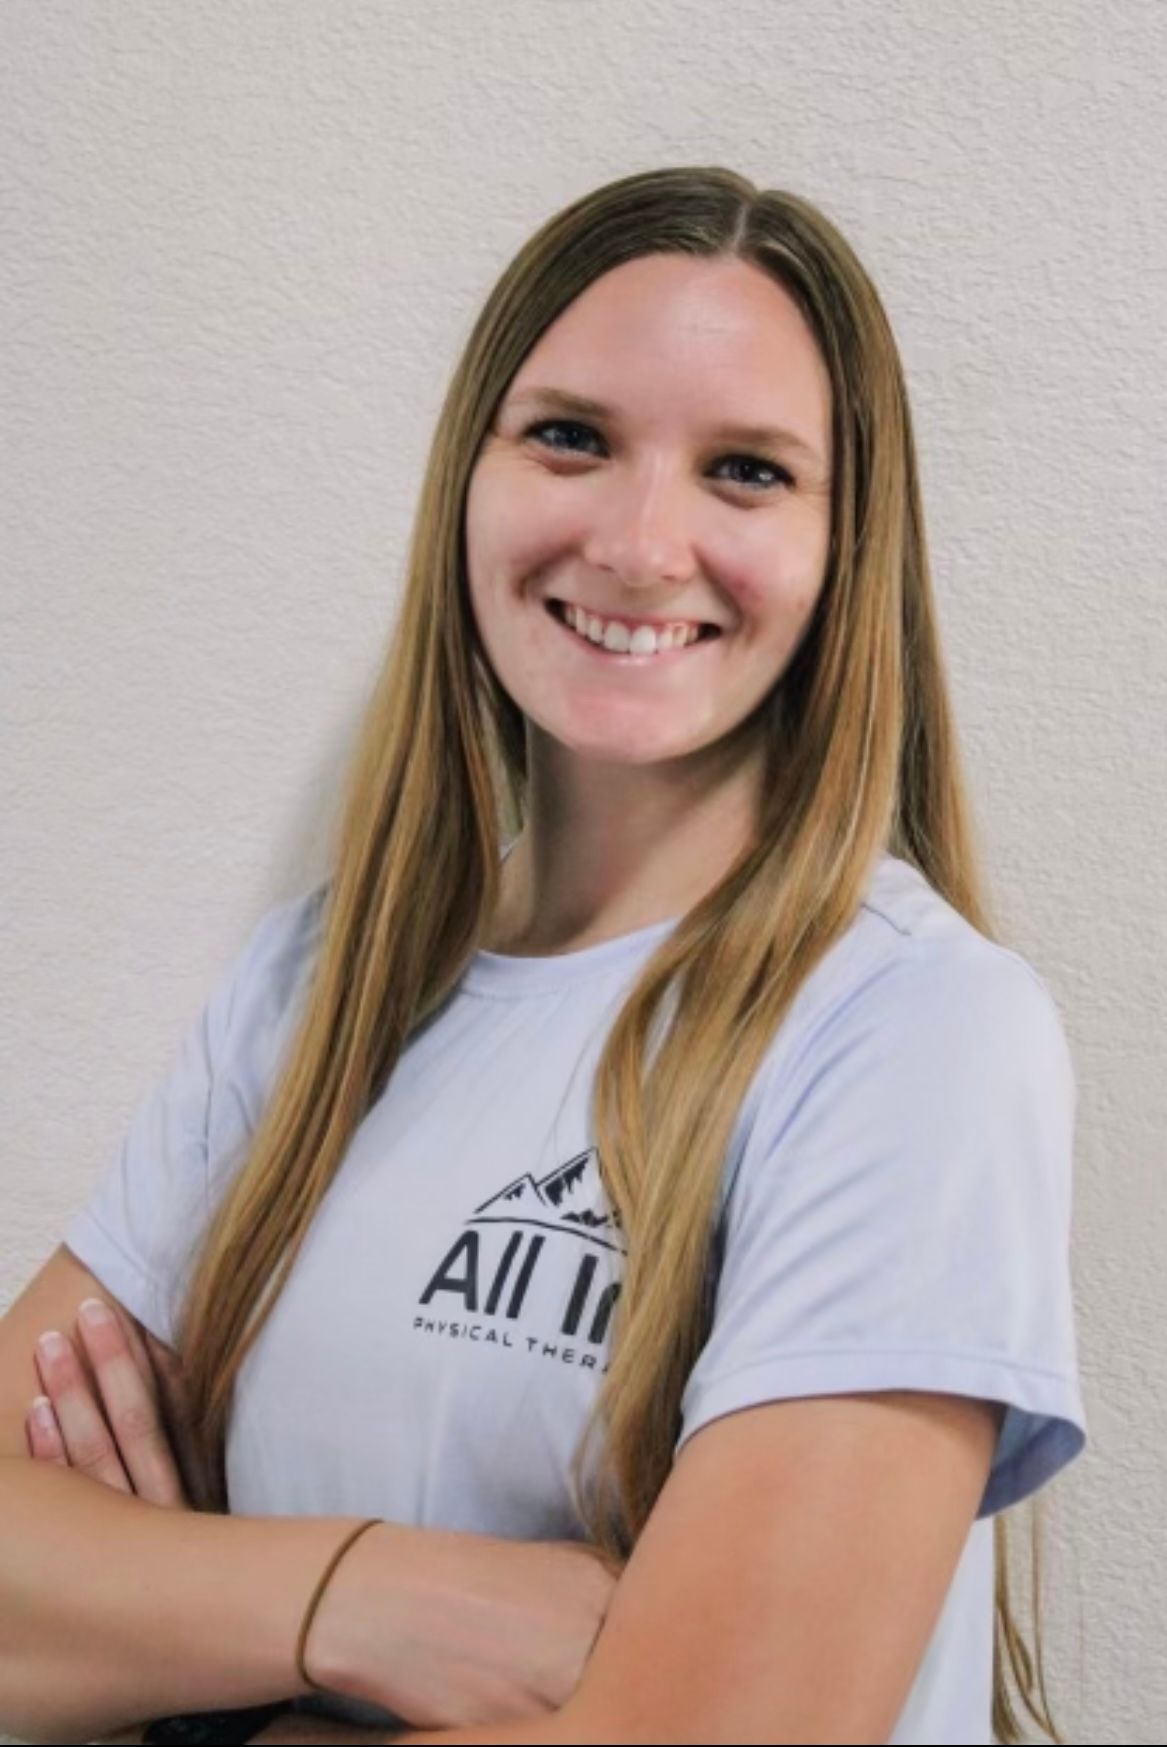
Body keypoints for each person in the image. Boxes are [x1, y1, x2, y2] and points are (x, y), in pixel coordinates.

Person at [0, 166, 1086, 1746]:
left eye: (747, 471)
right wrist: (360, 1601)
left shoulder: (913, 1031)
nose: (645, 545)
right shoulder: (322, 987)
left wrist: (187, 1670)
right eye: (571, 436)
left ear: (849, 549)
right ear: (470, 476)